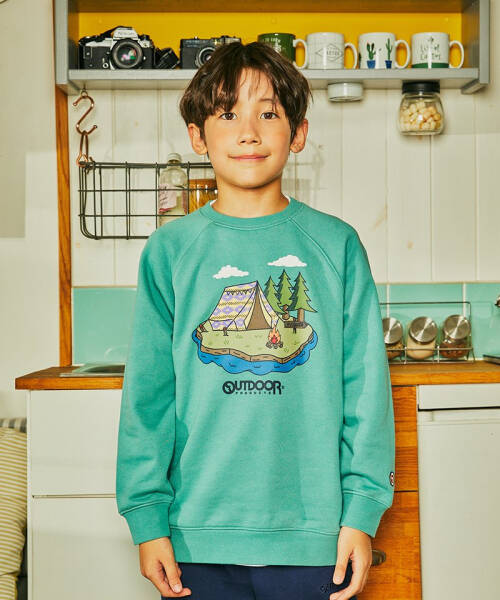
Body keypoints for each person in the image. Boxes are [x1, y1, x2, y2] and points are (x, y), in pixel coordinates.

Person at [115, 41, 395, 600]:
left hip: (315, 538)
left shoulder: (337, 245)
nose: (248, 133)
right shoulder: (169, 250)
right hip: (195, 537)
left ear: (298, 133)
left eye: (268, 114)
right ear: (197, 136)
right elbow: (147, 397)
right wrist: (147, 519)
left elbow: (366, 390)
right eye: (227, 114)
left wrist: (362, 513)